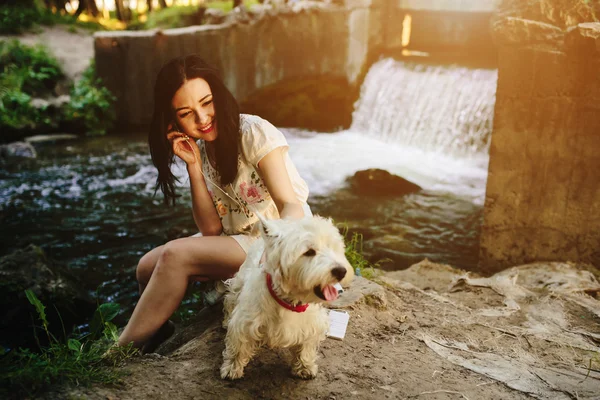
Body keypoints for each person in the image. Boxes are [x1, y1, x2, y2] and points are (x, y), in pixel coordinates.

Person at [117, 54, 311, 352]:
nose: (202, 119)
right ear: (173, 120)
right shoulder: (204, 150)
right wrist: (193, 166)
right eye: (187, 113)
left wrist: (276, 251)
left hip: (273, 237)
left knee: (175, 255)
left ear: (218, 95)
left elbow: (291, 205)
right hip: (236, 238)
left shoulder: (253, 132)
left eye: (207, 103)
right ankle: (155, 334)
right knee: (145, 267)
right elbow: (210, 228)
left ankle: (120, 352)